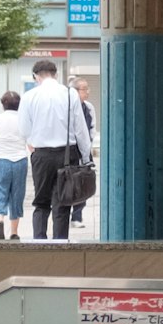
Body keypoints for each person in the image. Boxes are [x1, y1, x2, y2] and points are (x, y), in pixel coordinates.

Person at [16, 59, 91, 240]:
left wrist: (32, 140)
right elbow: (80, 128)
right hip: (67, 154)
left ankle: (39, 242)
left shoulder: (29, 96)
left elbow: (24, 130)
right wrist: (86, 156)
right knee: (63, 202)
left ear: (36, 76)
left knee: (41, 202)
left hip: (41, 155)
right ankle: (60, 244)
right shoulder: (70, 94)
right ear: (56, 74)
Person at [0, 90, 29, 241]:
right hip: (20, 160)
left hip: (0, 159)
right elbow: (31, 141)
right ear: (19, 105)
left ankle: (0, 219)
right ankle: (14, 232)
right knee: (17, 194)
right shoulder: (24, 120)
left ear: (3, 104)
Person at [69, 78, 96, 228]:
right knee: (68, 182)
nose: (87, 92)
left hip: (84, 150)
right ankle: (66, 213)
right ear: (75, 91)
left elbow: (92, 128)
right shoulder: (68, 107)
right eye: (84, 89)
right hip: (70, 150)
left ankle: (77, 216)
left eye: (87, 88)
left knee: (84, 182)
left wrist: (86, 146)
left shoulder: (89, 107)